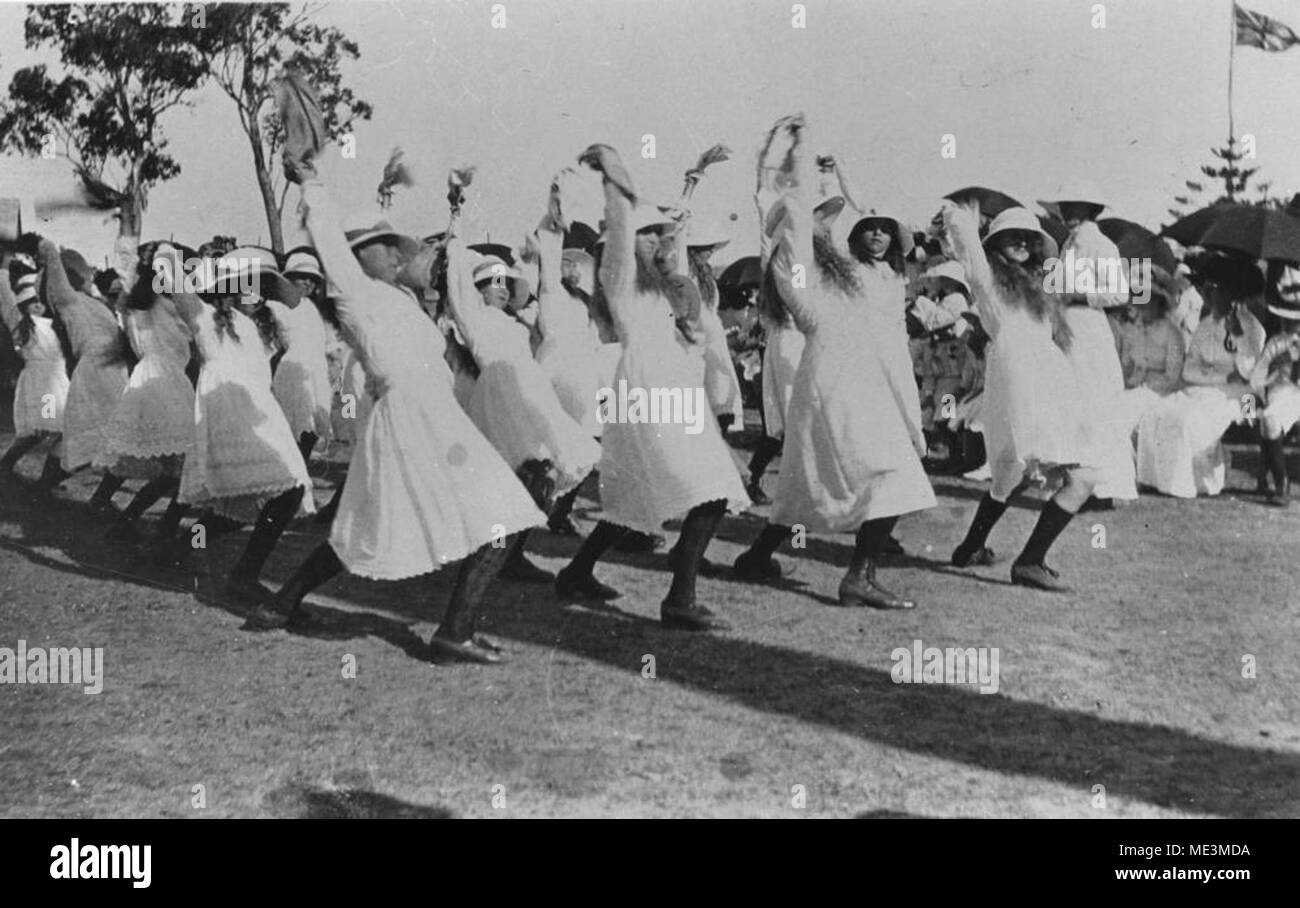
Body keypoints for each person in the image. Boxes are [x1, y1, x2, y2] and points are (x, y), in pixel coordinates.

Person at [264, 163, 546, 665]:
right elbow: (329, 237)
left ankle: (282, 603)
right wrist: (310, 182)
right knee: (504, 512)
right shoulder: (352, 291)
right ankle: (454, 631)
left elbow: (439, 260)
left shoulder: (398, 297)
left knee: (365, 523)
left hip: (424, 416)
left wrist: (455, 205)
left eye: (398, 244)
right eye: (384, 245)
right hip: (413, 416)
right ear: (353, 255)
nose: (398, 252)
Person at [732, 116, 934, 609]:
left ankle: (756, 559)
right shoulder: (791, 260)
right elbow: (795, 217)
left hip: (847, 379)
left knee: (802, 485)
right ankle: (859, 577)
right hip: (832, 382)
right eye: (820, 216)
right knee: (895, 473)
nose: (827, 222)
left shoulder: (838, 270)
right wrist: (798, 154)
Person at [554, 143, 749, 631]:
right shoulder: (618, 277)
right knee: (712, 490)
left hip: (668, 388)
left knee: (633, 499)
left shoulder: (661, 285)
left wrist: (695, 176)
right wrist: (613, 177)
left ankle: (576, 572)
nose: (653, 243)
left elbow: (677, 233)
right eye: (645, 236)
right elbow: (620, 229)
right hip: (648, 388)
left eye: (655, 237)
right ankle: (680, 599)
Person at [942, 199, 1100, 591]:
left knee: (1011, 475)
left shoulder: (1038, 286)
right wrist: (959, 215)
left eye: (1027, 238)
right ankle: (1030, 561)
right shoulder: (988, 279)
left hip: (1047, 381)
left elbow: (1054, 319)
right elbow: (967, 248)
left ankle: (970, 546)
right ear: (993, 243)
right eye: (1010, 237)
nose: (1021, 244)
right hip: (1022, 383)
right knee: (1083, 476)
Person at [445, 215, 600, 582]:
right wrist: (456, 224)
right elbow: (457, 280)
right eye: (491, 284)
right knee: (513, 478)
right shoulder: (472, 319)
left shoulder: (517, 322)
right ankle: (497, 555)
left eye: (505, 285)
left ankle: (508, 555)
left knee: (540, 475)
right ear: (476, 289)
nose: (500, 290)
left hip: (530, 393)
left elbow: (541, 284)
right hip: (502, 398)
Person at [167, 246, 317, 600]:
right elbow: (177, 286)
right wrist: (167, 254)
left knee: (250, 500)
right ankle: (243, 574)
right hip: (228, 414)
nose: (256, 293)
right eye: (248, 284)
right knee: (285, 489)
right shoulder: (205, 317)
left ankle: (177, 547)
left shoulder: (258, 327)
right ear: (229, 286)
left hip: (259, 413)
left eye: (262, 287)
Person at [1135, 256, 1265, 499]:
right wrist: (1220, 374)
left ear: (1229, 293)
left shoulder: (1251, 326)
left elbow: (1250, 372)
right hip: (1202, 388)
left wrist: (1238, 336)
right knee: (1156, 413)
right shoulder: (1204, 325)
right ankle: (1155, 480)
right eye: (1204, 289)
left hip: (1239, 395)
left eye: (1213, 290)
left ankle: (1188, 483)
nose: (1207, 295)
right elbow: (1188, 369)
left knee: (1188, 420)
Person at [95, 243, 197, 554]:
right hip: (163, 382)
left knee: (177, 470)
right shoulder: (155, 304)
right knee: (183, 468)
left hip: (158, 380)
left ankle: (131, 525)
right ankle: (160, 533)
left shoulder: (147, 302)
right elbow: (127, 266)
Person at [1046, 195, 1138, 510]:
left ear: (1089, 210)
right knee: (1075, 407)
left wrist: (1078, 296)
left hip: (1089, 333)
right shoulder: (1067, 245)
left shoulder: (1102, 245)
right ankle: (1077, 485)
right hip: (1066, 330)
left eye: (1075, 208)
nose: (1069, 213)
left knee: (1097, 406)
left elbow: (1119, 293)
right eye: (1065, 208)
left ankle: (1104, 487)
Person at [35, 239, 132, 497]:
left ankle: (85, 494)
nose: (83, 276)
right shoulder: (67, 300)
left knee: (106, 433)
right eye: (76, 272)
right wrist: (49, 251)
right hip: (97, 370)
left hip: (115, 369)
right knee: (92, 433)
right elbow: (56, 276)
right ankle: (47, 487)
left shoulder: (94, 302)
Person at [0, 269, 68, 481]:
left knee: (58, 430)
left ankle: (47, 478)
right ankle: (6, 464)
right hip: (44, 385)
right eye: (32, 301)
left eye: (40, 300)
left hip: (59, 380)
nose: (38, 305)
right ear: (23, 304)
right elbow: (8, 304)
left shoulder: (54, 324)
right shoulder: (22, 324)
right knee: (43, 429)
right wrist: (3, 271)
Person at [272, 246, 335, 464]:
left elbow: (324, 342)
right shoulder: (277, 306)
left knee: (316, 427)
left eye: (312, 279)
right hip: (294, 372)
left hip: (318, 372)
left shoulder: (312, 308)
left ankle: (301, 472)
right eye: (302, 278)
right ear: (289, 278)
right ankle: (293, 476)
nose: (308, 283)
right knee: (297, 428)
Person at [1248, 264, 1300, 506]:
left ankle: (1264, 473)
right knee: (1267, 417)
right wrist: (1271, 374)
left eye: (1295, 320)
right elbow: (1256, 377)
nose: (1290, 325)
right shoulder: (1277, 342)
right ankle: (1282, 482)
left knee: (1268, 417)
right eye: (1286, 319)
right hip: (1282, 395)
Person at [1116, 270, 1185, 435]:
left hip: (1162, 393)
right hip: (1133, 390)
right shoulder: (1130, 329)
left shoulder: (1172, 332)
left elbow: (1172, 377)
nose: (1143, 303)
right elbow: (1124, 365)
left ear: (1160, 301)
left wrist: (1143, 389)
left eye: (1149, 298)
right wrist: (1128, 382)